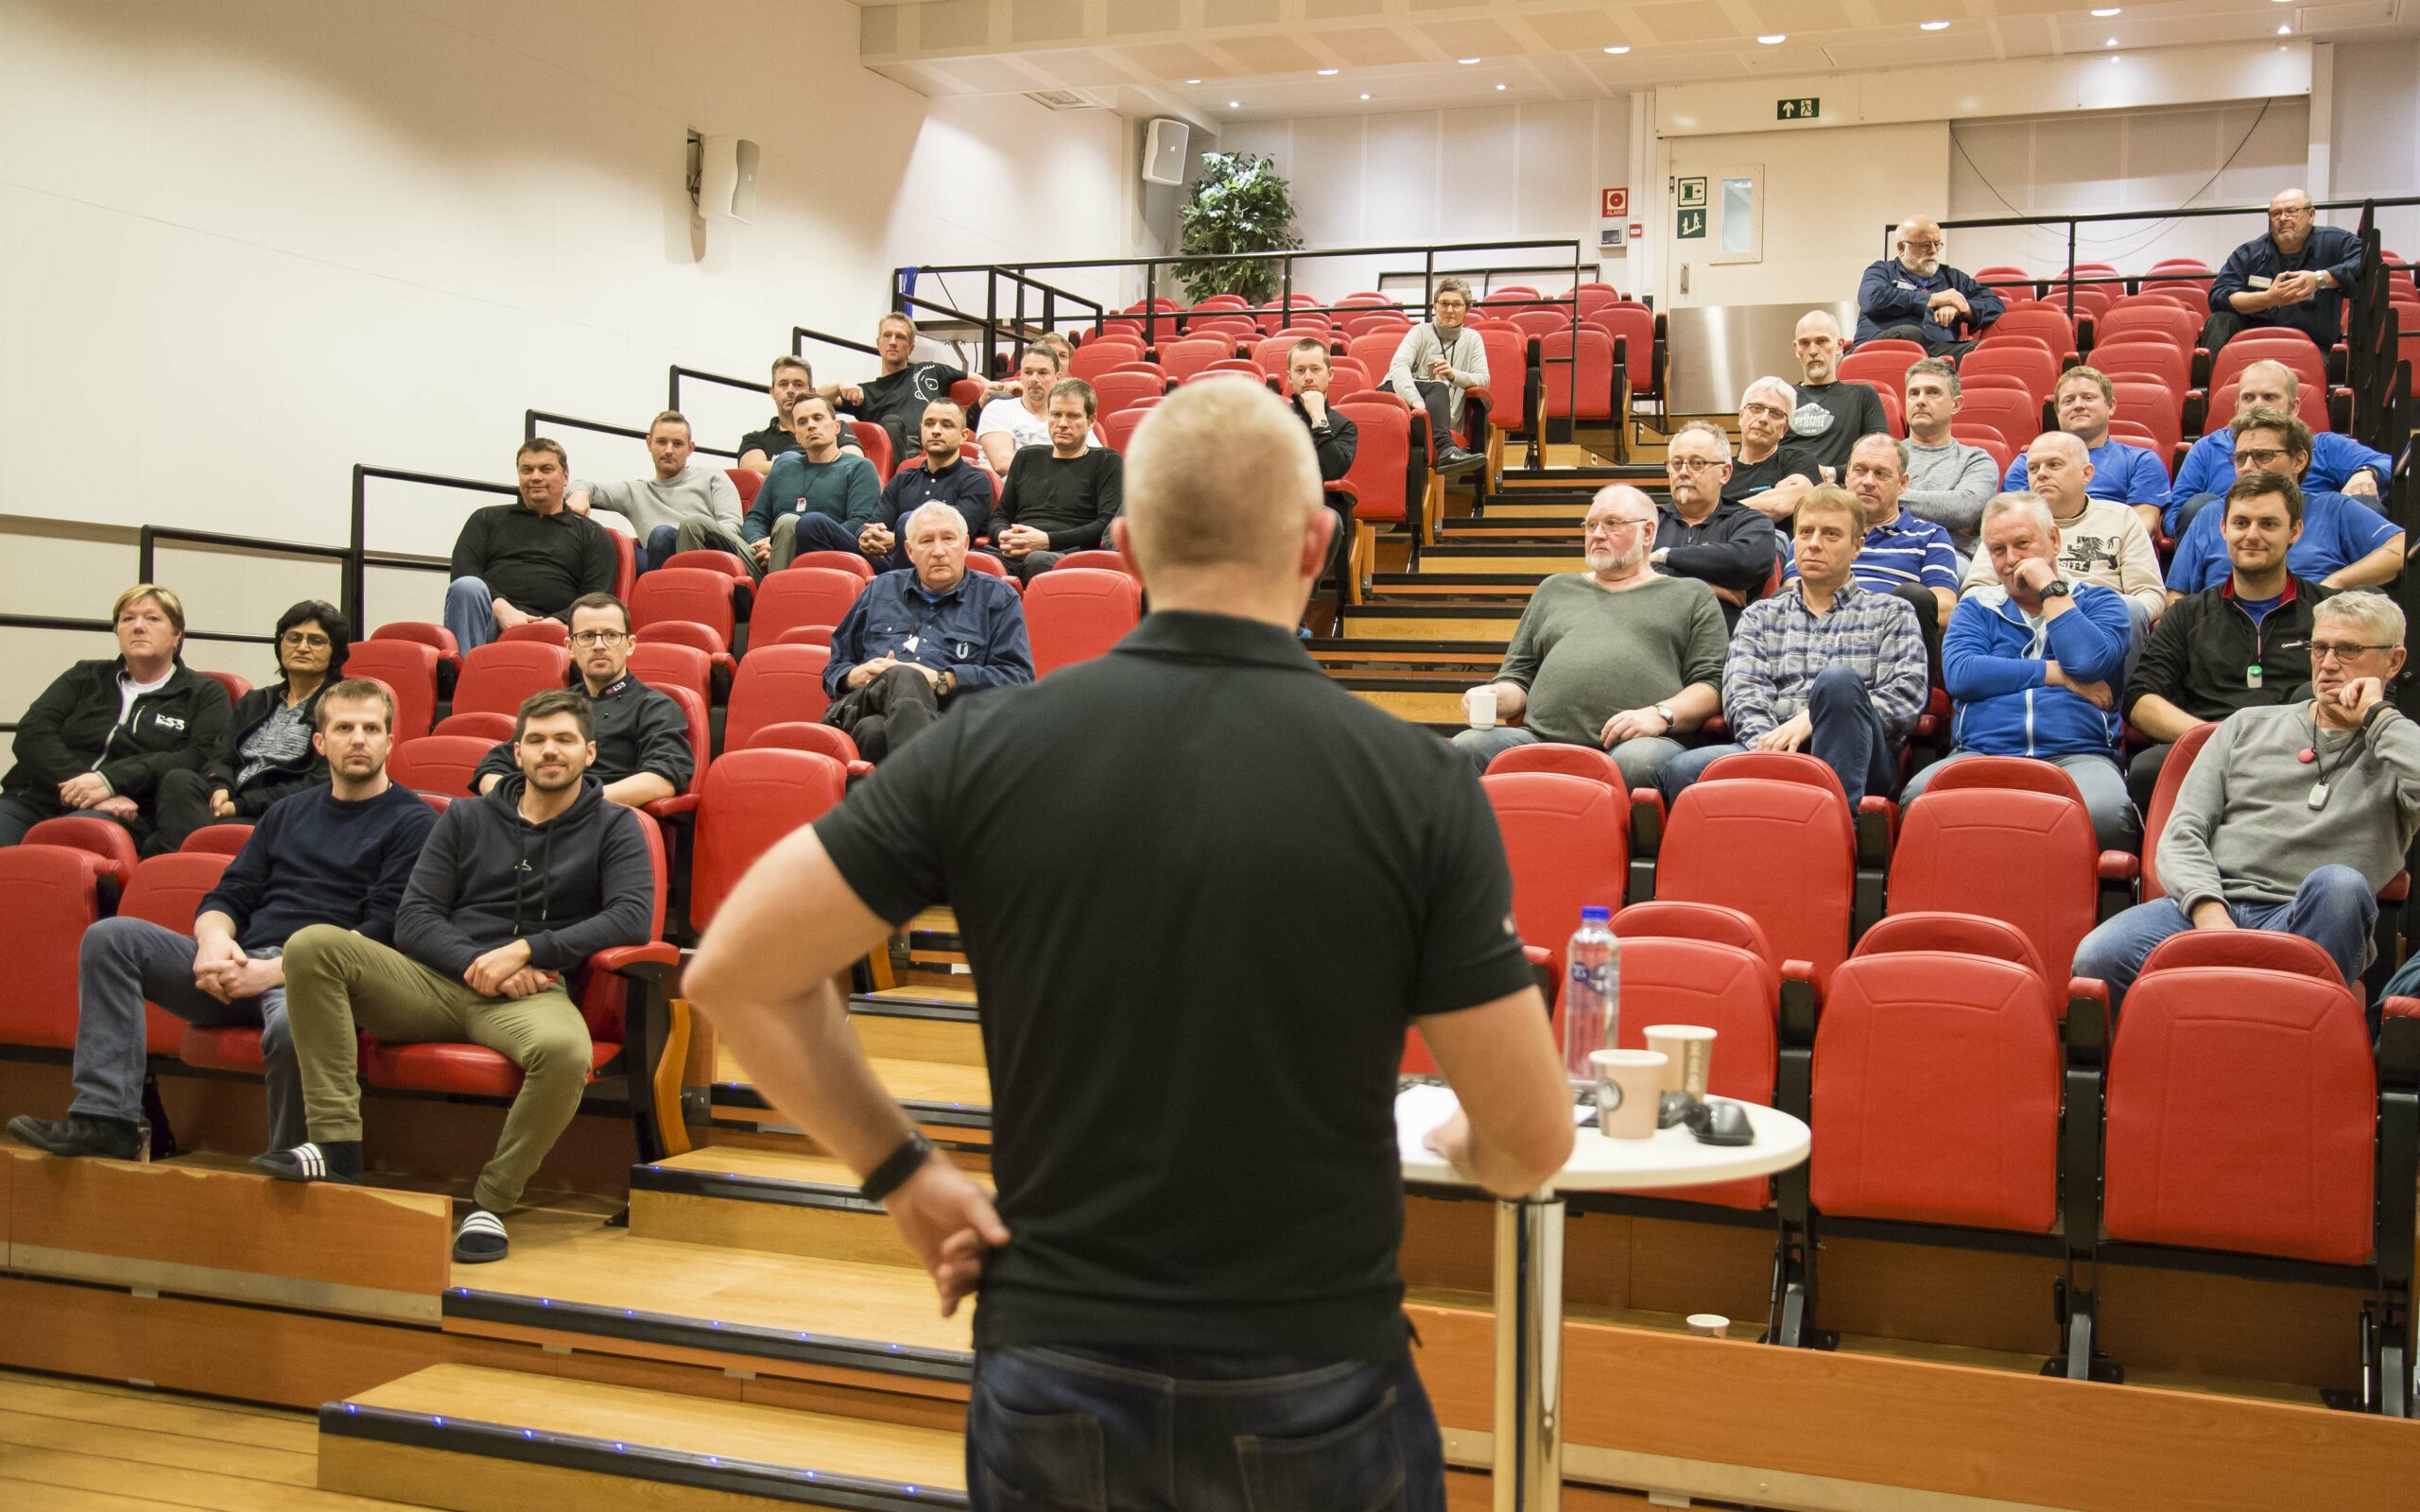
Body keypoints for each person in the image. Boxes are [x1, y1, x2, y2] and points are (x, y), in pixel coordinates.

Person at [682, 377, 1572, 1512]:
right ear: (1317, 539)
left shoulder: (989, 750)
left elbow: (735, 974)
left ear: (1128, 541)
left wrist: (905, 1175)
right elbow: (1532, 1137)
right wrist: (1467, 1139)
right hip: (1309, 1363)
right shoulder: (1416, 782)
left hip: (1055, 1353)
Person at [262, 687, 657, 1264]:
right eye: (537, 740)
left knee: (566, 1054)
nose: (551, 752)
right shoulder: (466, 817)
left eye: (565, 740)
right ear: (516, 753)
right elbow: (415, 918)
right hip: (435, 982)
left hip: (532, 991)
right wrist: (482, 966)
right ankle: (336, 1143)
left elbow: (631, 916)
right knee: (313, 946)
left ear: (590, 752)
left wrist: (525, 951)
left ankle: (492, 1203)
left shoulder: (617, 826)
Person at [7, 679, 435, 1161]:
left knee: (296, 1026)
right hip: (242, 965)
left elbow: (383, 932)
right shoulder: (286, 813)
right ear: (320, 743)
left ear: (389, 741)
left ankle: (298, 1160)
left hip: (319, 978)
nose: (358, 739)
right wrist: (214, 942)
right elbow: (231, 892)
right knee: (112, 938)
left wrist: (272, 973)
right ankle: (108, 1119)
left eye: (371, 728)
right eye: (344, 728)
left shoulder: (415, 822)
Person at [2077, 593, 2416, 1006]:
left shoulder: (2398, 746)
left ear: (2394, 661)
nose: (2328, 664)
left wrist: (2378, 717)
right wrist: (2210, 913)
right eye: (2320, 647)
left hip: (2308, 918)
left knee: (2341, 885)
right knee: (2100, 955)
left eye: (2348, 650)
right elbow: (2183, 832)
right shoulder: (2245, 726)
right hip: (2212, 906)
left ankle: (2265, 1027)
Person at [1661, 486, 1927, 807]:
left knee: (1838, 682)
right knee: (1683, 770)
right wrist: (1772, 751)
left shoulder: (1892, 612)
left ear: (1857, 547)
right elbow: (1743, 694)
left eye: (1830, 534)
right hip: (1772, 745)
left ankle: (1838, 830)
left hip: (1862, 755)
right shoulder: (1760, 615)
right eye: (1806, 532)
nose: (1814, 544)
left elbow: (1905, 695)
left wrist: (1816, 718)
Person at [1908, 492, 2138, 851]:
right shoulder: (1976, 608)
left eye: (2022, 544)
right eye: (1998, 550)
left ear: (2054, 540)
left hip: (2078, 754)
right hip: (1982, 753)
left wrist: (2050, 588)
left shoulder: (2100, 602)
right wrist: (2056, 674)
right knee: (1920, 797)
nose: (2012, 560)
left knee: (2106, 814)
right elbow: (1963, 674)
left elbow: (2089, 663)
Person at [1454, 484, 1727, 787]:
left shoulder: (1691, 594)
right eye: (1591, 525)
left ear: (1647, 532)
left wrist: (1660, 715)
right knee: (1467, 747)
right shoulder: (1554, 589)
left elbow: (1711, 685)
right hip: (1538, 739)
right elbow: (1517, 678)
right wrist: (1493, 696)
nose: (1597, 533)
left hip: (1639, 743)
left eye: (1612, 524)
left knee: (1638, 762)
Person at [2123, 475, 2332, 809]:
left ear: (2294, 532)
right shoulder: (2187, 614)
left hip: (2303, 749)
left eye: (2268, 524)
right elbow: (2140, 699)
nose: (2252, 535)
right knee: (2148, 769)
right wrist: (2215, 737)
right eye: (2241, 522)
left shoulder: (2330, 612)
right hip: (2209, 745)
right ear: (2223, 528)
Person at [0, 585, 233, 850]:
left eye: (153, 618)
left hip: (126, 811)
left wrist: (110, 781)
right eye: (127, 618)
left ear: (177, 634)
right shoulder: (85, 676)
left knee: (73, 839)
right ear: (117, 630)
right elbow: (33, 733)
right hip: (37, 799)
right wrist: (89, 788)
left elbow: (199, 756)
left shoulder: (203, 693)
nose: (138, 626)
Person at [821, 503, 1034, 761]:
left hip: (949, 719)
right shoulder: (880, 589)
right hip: (863, 705)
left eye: (948, 539)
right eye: (926, 541)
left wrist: (940, 679)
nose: (938, 551)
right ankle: (926, 790)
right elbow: (835, 668)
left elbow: (1017, 679)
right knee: (902, 676)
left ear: (965, 544)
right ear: (910, 551)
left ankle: (896, 797)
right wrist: (853, 676)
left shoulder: (997, 598)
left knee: (874, 732)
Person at [151, 599, 348, 855]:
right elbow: (221, 756)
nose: (302, 647)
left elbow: (321, 782)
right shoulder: (257, 700)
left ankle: (192, 866)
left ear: (336, 651)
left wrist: (240, 806)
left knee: (158, 844)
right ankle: (199, 864)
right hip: (228, 802)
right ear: (280, 645)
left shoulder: (340, 706)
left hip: (281, 813)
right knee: (179, 780)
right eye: (293, 638)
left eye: (316, 640)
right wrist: (220, 787)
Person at [470, 593, 692, 808]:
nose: (599, 645)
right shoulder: (555, 704)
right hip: (536, 818)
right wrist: (522, 803)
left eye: (611, 635)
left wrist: (575, 804)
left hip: (605, 819)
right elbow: (491, 767)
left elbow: (663, 777)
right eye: (587, 636)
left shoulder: (655, 705)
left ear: (630, 644)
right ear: (570, 647)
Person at [1959, 432, 2166, 657]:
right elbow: (1975, 590)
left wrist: (2097, 612)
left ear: (2086, 474)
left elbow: (2149, 592)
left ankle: (2117, 692)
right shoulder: (2008, 521)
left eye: (2054, 465)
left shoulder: (2121, 517)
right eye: (2033, 469)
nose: (2042, 475)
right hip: (2019, 622)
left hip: (2099, 622)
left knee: (2131, 608)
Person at [2163, 412, 2403, 596]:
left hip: (2315, 632)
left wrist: (2337, 581)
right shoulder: (2210, 514)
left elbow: (2400, 547)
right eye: (2240, 458)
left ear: (2299, 460)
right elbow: (2177, 595)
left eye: (2263, 456)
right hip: (2224, 635)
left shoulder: (2333, 509)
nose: (2247, 467)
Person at [2164, 359, 2389, 535]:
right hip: (2228, 541)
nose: (2258, 405)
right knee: (2197, 506)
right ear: (2237, 405)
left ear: (2294, 407)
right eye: (2248, 397)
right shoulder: (2207, 448)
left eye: (2269, 397)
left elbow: (2388, 462)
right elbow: (2176, 516)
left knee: (2366, 506)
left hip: (2313, 539)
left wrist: (2366, 472)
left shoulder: (2323, 445)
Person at [444, 439, 617, 651]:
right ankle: (466, 677)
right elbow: (464, 570)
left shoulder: (593, 534)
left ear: (565, 476)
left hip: (557, 632)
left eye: (546, 469)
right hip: (489, 622)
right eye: (527, 470)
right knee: (466, 586)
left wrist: (552, 624)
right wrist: (501, 609)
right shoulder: (486, 519)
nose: (535, 477)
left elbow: (596, 596)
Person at [2001, 367, 2172, 538]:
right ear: (2057, 412)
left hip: (2113, 555)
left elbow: (2141, 527)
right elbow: (2016, 526)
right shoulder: (2029, 464)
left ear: (2111, 406)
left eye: (2088, 398)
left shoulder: (2141, 461)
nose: (2078, 406)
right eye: (2068, 401)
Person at [566, 410, 745, 574]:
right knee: (607, 546)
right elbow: (586, 486)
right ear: (649, 443)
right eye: (661, 442)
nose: (668, 450)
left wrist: (689, 541)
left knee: (662, 534)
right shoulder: (636, 491)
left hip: (706, 558)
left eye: (677, 444)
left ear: (690, 448)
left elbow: (731, 529)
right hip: (655, 557)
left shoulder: (712, 476)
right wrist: (580, 492)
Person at [824, 312, 1003, 468]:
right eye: (887, 335)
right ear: (878, 343)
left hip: (931, 445)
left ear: (911, 347)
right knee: (891, 423)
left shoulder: (929, 370)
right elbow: (814, 399)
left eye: (900, 337)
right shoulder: (865, 392)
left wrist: (994, 385)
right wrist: (839, 385)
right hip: (893, 452)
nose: (893, 342)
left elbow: (975, 379)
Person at [988, 378, 1123, 584]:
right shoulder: (1026, 456)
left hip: (1068, 554)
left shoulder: (1107, 461)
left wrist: (1047, 541)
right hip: (1016, 549)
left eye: (1073, 416)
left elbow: (1105, 525)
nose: (1062, 424)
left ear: (1091, 420)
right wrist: (1004, 536)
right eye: (1056, 414)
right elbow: (1001, 515)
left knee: (1038, 560)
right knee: (973, 561)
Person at [2204, 188, 2365, 353]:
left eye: (2291, 212)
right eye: (2276, 214)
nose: (2282, 218)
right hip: (2253, 347)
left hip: (2311, 350)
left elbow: (2367, 259)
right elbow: (2219, 296)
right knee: (2219, 319)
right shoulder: (2250, 253)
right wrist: (2267, 299)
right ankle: (2213, 379)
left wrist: (2320, 279)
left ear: (2311, 215)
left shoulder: (2333, 242)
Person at [742, 395, 885, 576]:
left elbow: (859, 523)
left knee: (789, 521)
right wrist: (761, 542)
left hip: (827, 553)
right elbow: (755, 518)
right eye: (802, 422)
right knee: (699, 525)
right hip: (769, 554)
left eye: (818, 418)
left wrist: (792, 542)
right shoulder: (782, 469)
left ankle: (778, 596)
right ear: (797, 436)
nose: (810, 425)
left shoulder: (860, 467)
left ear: (837, 427)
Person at [1833, 433, 1961, 633]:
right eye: (1860, 470)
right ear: (1847, 475)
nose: (1868, 481)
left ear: (1902, 483)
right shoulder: (1818, 531)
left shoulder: (1931, 536)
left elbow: (1944, 609)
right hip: (1824, 639)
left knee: (1916, 595)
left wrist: (1868, 618)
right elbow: (1793, 595)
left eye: (1881, 474)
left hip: (1896, 645)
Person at [1654, 421, 1778, 626]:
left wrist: (1663, 556)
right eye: (1676, 463)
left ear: (1725, 473)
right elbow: (1623, 578)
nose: (1683, 472)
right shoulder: (1648, 522)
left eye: (1697, 464)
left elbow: (1744, 562)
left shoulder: (1751, 522)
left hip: (1727, 644)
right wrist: (1708, 588)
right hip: (1655, 642)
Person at [862, 401, 996, 573]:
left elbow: (956, 531)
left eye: (946, 425)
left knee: (908, 520)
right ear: (921, 429)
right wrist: (866, 536)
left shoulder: (976, 481)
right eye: (929, 424)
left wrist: (899, 538)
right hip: (891, 559)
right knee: (818, 525)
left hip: (946, 565)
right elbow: (875, 522)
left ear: (963, 435)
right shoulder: (902, 479)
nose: (936, 431)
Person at [1855, 216, 2006, 356]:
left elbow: (1995, 303)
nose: (1933, 250)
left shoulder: (1953, 277)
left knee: (1990, 352)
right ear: (1901, 247)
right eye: (1925, 244)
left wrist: (1961, 307)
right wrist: (1932, 299)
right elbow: (1873, 298)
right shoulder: (1882, 271)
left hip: (1940, 351)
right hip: (1880, 349)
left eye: (1937, 244)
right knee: (1909, 333)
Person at [1384, 277, 1488, 473]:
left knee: (1438, 387)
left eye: (1457, 305)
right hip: (1401, 400)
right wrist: (1417, 402)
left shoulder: (1472, 338)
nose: (1449, 310)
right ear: (1435, 306)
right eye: (1444, 303)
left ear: (1467, 309)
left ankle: (1445, 448)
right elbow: (1398, 366)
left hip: (1438, 415)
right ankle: (1446, 449)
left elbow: (1483, 379)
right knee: (1433, 386)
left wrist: (1453, 374)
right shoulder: (1420, 331)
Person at [1900, 357, 2000, 558]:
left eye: (1933, 392)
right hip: (1883, 548)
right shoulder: (1883, 454)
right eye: (1913, 393)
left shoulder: (1976, 460)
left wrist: (1887, 498)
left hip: (1949, 554)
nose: (1920, 400)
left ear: (1956, 404)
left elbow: (1963, 509)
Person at [1288, 338, 1359, 598]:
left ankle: (1295, 604)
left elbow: (1333, 469)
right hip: (1265, 505)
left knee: (1330, 521)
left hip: (1306, 509)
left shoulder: (1343, 426)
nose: (1308, 377)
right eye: (1300, 370)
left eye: (1315, 369)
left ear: (1329, 374)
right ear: (1289, 377)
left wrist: (1319, 420)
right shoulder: (1273, 415)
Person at [1785, 310, 1889, 474]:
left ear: (1839, 345)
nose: (1813, 351)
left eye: (1822, 341)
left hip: (1838, 491)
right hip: (1783, 487)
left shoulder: (1862, 396)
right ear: (1796, 349)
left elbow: (1878, 455)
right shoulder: (1781, 398)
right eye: (1805, 343)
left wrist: (1830, 474)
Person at [976, 345, 1099, 474]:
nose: (1034, 379)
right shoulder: (998, 409)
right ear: (1021, 377)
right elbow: (1002, 463)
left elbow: (1097, 461)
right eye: (1028, 372)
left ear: (1057, 378)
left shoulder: (1068, 417)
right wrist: (1063, 473)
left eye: (1042, 373)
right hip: (1010, 487)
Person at [737, 356, 864, 472]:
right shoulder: (755, 439)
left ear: (812, 392)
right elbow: (750, 470)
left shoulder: (835, 426)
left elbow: (853, 462)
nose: (790, 391)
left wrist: (782, 465)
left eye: (798, 385)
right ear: (772, 391)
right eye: (783, 384)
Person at [1722, 378, 1822, 523]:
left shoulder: (1798, 461)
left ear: (1784, 429)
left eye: (1776, 413)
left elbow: (1779, 505)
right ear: (1741, 416)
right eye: (1756, 408)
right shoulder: (1719, 470)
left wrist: (1718, 514)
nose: (1763, 419)